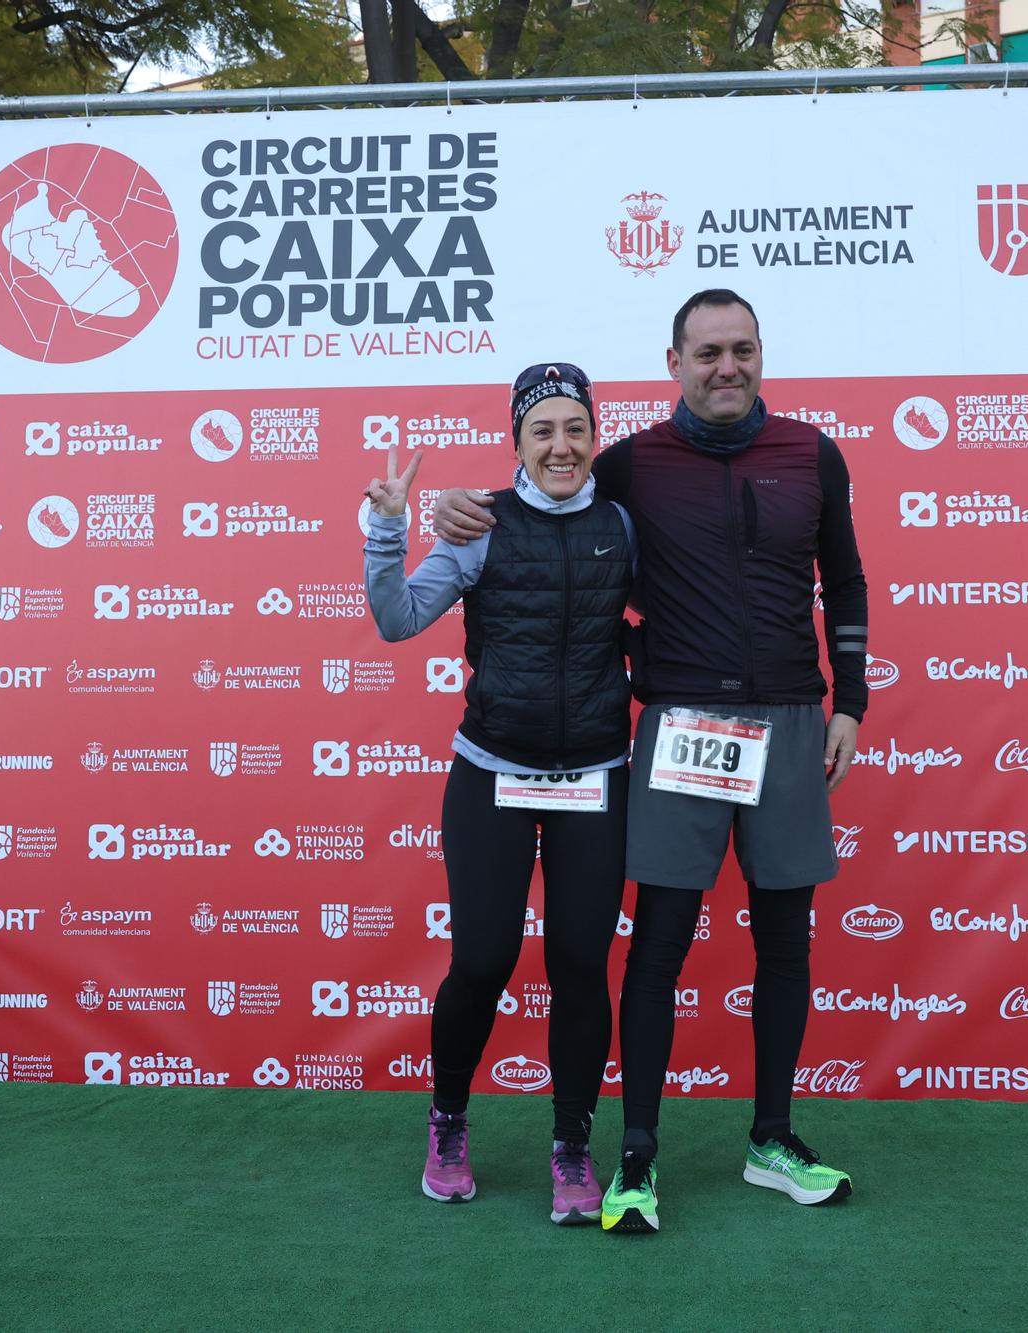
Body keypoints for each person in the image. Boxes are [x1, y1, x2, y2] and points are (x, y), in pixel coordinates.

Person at [432, 289, 869, 1235]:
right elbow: (548, 502)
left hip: (791, 718)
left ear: (762, 355)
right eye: (707, 351)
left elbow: (847, 578)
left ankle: (772, 1139)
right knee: (659, 941)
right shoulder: (629, 462)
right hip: (677, 726)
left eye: (742, 349)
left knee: (785, 937)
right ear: (673, 361)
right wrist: (455, 507)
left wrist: (854, 701)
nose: (727, 366)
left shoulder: (812, 451)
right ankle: (635, 1155)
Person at [363, 362, 635, 1224]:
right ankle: (447, 1121)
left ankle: (570, 1146)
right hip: (492, 771)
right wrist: (388, 527)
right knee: (482, 959)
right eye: (542, 430)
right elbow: (397, 618)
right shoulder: (478, 524)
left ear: (595, 436)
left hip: (594, 776)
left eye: (575, 429)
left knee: (580, 967)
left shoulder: (626, 523)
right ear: (516, 440)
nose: (561, 446)